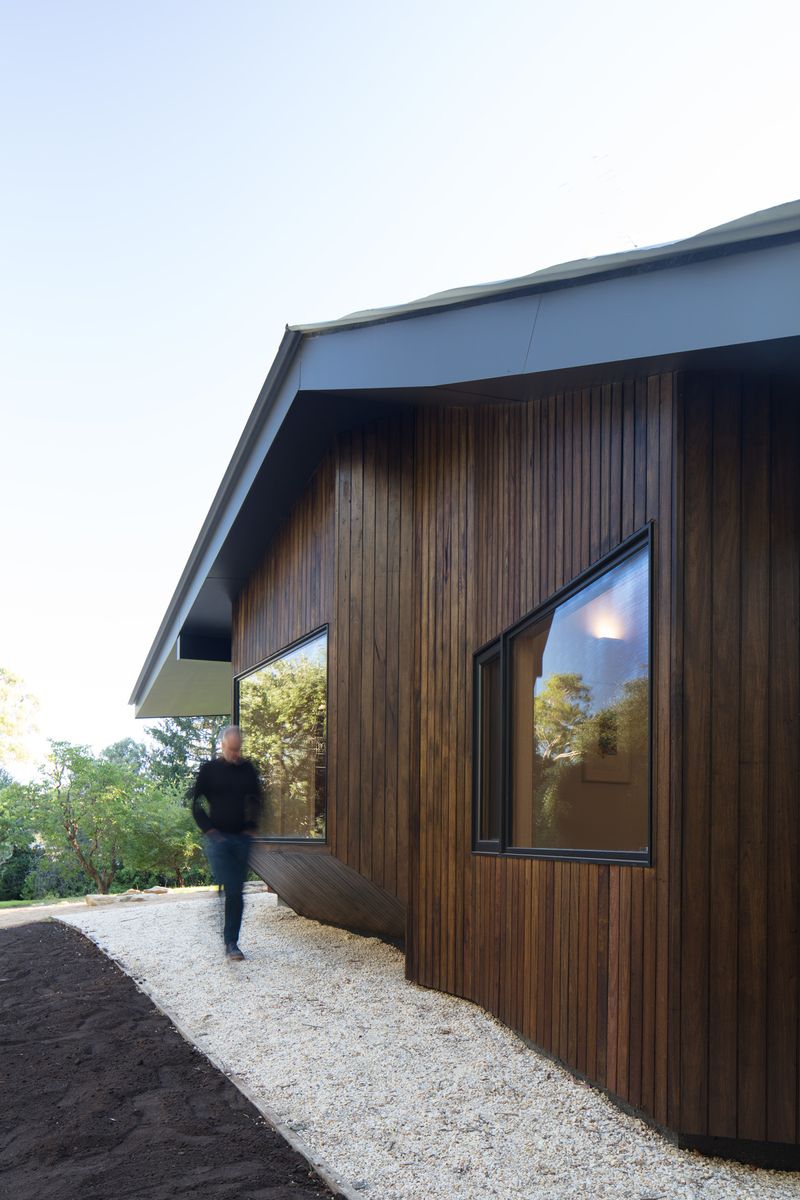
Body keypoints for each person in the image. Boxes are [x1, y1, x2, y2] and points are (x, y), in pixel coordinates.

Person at [192, 725, 263, 961]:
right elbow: (195, 804)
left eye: (238, 750)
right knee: (231, 886)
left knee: (236, 891)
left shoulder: (247, 769)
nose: (235, 754)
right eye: (231, 750)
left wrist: (252, 826)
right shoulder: (209, 770)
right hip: (218, 839)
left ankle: (232, 941)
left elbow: (257, 799)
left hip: (241, 839)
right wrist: (209, 829)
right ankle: (230, 940)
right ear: (222, 745)